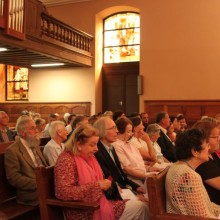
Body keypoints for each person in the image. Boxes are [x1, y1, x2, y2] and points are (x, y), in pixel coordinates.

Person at [54, 124, 148, 220]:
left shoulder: (89, 157)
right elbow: (63, 192)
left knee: (142, 205)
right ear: (78, 144)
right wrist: (98, 185)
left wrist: (109, 185)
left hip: (100, 203)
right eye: (92, 145)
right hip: (83, 210)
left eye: (96, 144)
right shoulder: (66, 160)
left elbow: (100, 180)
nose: (96, 149)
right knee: (140, 208)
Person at [166, 128, 220, 218]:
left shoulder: (179, 166)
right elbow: (202, 216)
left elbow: (207, 207)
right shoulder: (189, 175)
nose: (209, 148)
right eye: (206, 145)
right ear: (195, 151)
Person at [93, 117, 145, 200]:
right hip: (113, 194)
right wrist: (132, 194)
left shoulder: (111, 147)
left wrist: (136, 187)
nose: (117, 131)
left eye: (116, 128)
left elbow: (121, 174)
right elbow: (109, 178)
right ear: (102, 131)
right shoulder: (97, 151)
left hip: (123, 188)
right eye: (112, 128)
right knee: (144, 206)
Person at [4, 118, 48, 206]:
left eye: (36, 127)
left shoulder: (34, 144)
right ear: (22, 132)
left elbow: (44, 166)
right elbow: (14, 178)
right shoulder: (12, 150)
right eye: (32, 128)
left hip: (45, 187)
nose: (36, 131)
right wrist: (39, 183)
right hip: (31, 193)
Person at [112, 117, 160, 186]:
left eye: (131, 131)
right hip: (132, 181)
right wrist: (146, 176)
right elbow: (127, 169)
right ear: (120, 131)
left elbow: (138, 163)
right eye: (128, 131)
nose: (131, 134)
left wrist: (150, 168)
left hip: (143, 177)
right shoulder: (116, 145)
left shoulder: (130, 143)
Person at [193, 120, 220, 205]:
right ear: (203, 140)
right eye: (215, 137)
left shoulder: (211, 154)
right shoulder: (202, 161)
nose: (219, 139)